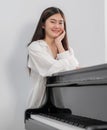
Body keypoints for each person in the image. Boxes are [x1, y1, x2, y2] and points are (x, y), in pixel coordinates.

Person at [27, 7, 79, 109]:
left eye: (60, 23)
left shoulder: (68, 50)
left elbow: (74, 73)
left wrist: (59, 44)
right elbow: (51, 70)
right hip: (40, 105)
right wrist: (69, 64)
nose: (57, 26)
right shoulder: (35, 47)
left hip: (66, 104)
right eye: (53, 22)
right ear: (43, 24)